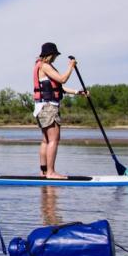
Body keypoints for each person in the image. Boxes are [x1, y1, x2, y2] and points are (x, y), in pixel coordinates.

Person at [32, 42, 86, 179]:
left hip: (42, 107)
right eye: (55, 54)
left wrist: (77, 92)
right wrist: (71, 67)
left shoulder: (42, 66)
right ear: (50, 54)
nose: (56, 57)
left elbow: (59, 88)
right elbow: (62, 79)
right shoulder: (45, 66)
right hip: (49, 107)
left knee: (46, 140)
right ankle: (50, 172)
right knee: (53, 140)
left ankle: (44, 172)